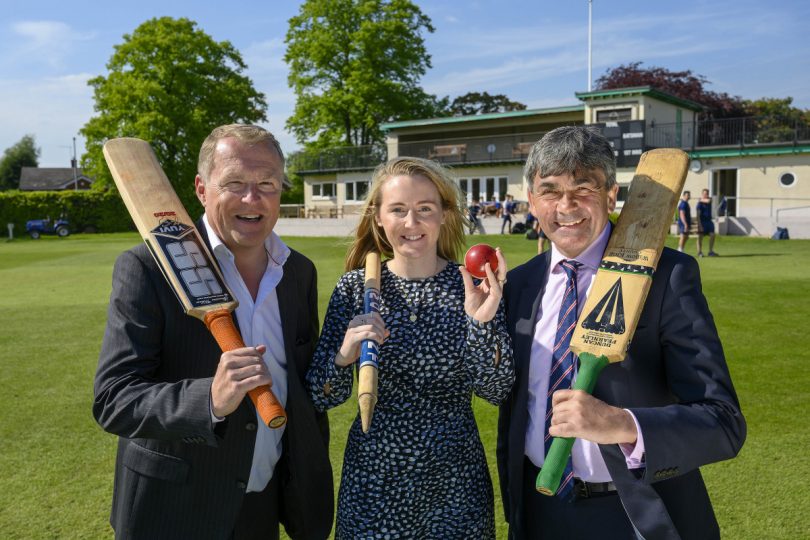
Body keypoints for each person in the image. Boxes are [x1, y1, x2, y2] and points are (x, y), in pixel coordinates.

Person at [497, 126, 746, 539]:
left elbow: (723, 423)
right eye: (550, 190)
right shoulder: (518, 285)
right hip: (538, 510)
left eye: (583, 188)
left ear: (612, 195)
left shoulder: (667, 277)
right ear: (531, 199)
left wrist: (622, 424)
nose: (566, 205)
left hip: (635, 514)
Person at [93, 124, 333, 539]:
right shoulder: (148, 268)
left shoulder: (298, 272)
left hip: (262, 500)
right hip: (174, 511)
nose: (252, 199)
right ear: (202, 190)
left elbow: (301, 386)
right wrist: (211, 399)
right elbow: (114, 399)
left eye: (267, 184)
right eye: (234, 183)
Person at [307, 156, 515, 539]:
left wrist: (482, 325)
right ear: (378, 217)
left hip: (456, 485)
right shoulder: (354, 289)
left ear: (444, 215)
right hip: (373, 483)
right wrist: (345, 354)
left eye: (425, 209)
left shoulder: (473, 287)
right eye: (398, 210)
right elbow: (323, 395)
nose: (411, 222)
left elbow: (496, 390)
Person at [696, 188, 719, 257]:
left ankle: (710, 251)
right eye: (704, 194)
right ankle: (699, 252)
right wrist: (699, 225)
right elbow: (698, 215)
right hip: (702, 222)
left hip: (709, 222)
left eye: (707, 194)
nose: (706, 195)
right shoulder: (699, 204)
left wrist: (700, 199)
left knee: (712, 235)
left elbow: (709, 201)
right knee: (700, 237)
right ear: (702, 194)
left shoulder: (709, 200)